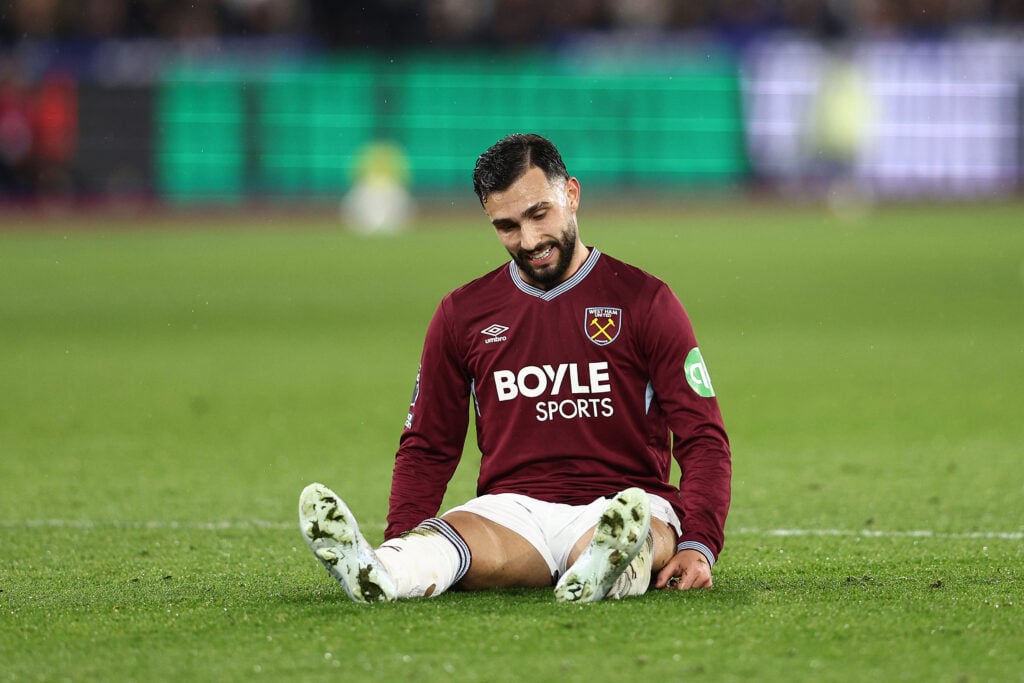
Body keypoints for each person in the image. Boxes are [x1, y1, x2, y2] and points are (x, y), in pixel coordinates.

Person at [299, 133, 731, 603]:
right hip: (513, 513)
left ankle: (605, 565)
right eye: (506, 226)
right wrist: (400, 534)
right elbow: (427, 446)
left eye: (539, 214)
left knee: (632, 535)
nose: (528, 241)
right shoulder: (463, 314)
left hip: (626, 500)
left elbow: (703, 436)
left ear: (571, 194)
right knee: (440, 545)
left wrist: (699, 543)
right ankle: (382, 571)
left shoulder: (645, 301)